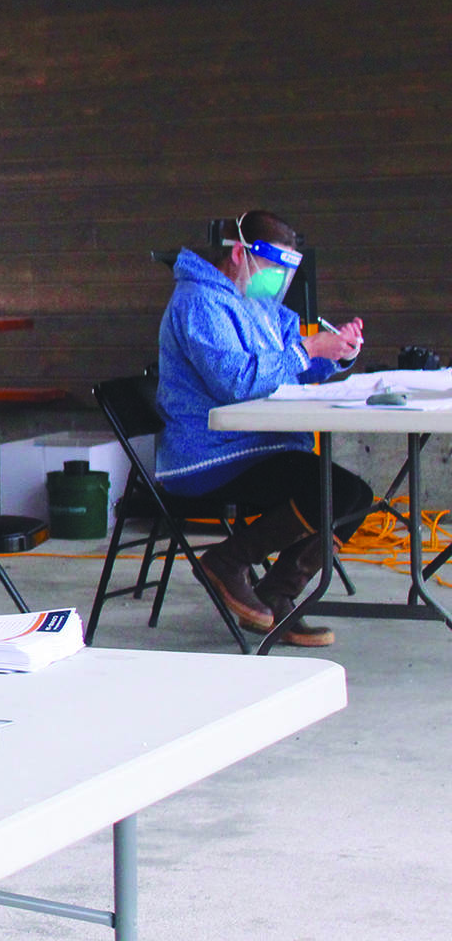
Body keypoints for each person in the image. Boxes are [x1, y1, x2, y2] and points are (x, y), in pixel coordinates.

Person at [157, 209, 368, 647]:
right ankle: (227, 562)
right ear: (240, 254)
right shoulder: (199, 301)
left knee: (353, 497)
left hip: (257, 445)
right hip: (209, 453)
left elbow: (292, 369)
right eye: (274, 270)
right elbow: (235, 381)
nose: (278, 283)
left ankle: (276, 593)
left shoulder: (261, 306)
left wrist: (335, 354)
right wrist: (308, 348)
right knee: (323, 490)